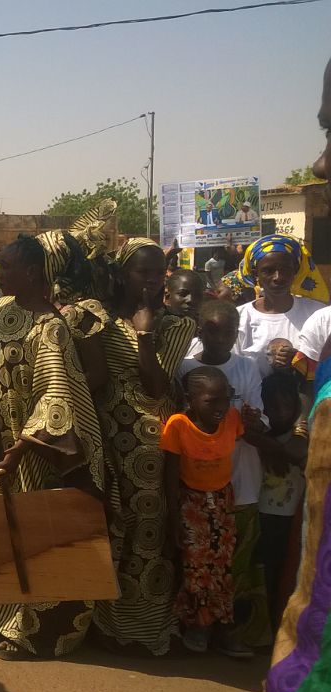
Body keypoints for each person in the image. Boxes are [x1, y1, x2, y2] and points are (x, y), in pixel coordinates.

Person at [0, 233, 106, 660]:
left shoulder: (50, 327)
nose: (1, 273)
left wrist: (20, 449)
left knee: (28, 535)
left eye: (10, 266)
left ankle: (32, 631)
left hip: (25, 450)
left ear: (34, 272)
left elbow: (56, 398)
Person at [248, 57, 331, 692]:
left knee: (289, 548)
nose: (273, 279)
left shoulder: (317, 315)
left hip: (297, 452)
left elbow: (303, 380)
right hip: (246, 445)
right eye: (264, 270)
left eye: (283, 270)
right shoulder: (238, 314)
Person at [92, 239, 198, 657]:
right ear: (122, 274)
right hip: (103, 429)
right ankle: (103, 620)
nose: (153, 280)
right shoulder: (98, 317)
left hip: (148, 443)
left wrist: (146, 334)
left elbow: (157, 386)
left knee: (146, 528)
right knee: (109, 521)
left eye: (159, 273)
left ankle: (145, 623)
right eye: (143, 272)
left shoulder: (175, 325)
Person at [179, 300, 271, 653]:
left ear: (237, 333)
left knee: (236, 564)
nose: (221, 337)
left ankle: (231, 629)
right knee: (199, 561)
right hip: (196, 484)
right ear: (199, 331)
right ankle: (199, 626)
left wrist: (251, 422)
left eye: (230, 331)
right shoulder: (184, 368)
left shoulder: (247, 369)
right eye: (213, 330)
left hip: (240, 481)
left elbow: (256, 423)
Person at [161, 366, 261, 657]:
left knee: (222, 566)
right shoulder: (178, 425)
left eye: (225, 400)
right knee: (196, 566)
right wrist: (173, 520)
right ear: (190, 399)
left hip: (222, 500)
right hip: (191, 501)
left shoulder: (231, 419)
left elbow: (249, 434)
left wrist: (257, 422)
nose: (220, 408)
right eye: (211, 401)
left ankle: (221, 627)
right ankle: (198, 626)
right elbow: (170, 475)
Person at [235, 233, 329, 377]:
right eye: (268, 270)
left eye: (285, 269)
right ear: (256, 274)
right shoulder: (239, 318)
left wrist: (300, 362)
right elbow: (232, 368)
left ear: (295, 271)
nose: (278, 277)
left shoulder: (318, 314)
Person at [255, 373, 306, 624]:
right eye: (273, 407)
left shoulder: (300, 435)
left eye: (287, 406)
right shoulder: (259, 435)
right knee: (262, 571)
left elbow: (297, 452)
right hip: (260, 514)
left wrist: (271, 448)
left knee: (281, 572)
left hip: (289, 519)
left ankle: (277, 623)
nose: (281, 413)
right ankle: (261, 625)